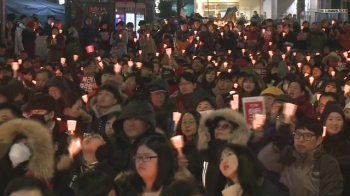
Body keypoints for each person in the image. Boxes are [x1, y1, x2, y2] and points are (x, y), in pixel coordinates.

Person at [266, 117, 344, 196]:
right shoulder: (287, 153)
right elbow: (264, 167)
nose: (301, 139)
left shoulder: (327, 163)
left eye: (307, 136)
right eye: (298, 134)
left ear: (319, 140)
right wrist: (277, 144)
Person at [197, 108, 251, 196]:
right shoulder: (204, 153)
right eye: (217, 126)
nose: (220, 129)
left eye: (226, 126)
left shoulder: (240, 153)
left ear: (234, 131)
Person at [0, 119, 55, 194]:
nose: (19, 147)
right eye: (17, 143)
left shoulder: (35, 177)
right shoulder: (3, 168)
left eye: (26, 145)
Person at [219, 143, 285, 196]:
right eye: (221, 159)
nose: (224, 161)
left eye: (229, 154)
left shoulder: (268, 189)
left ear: (243, 157)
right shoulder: (226, 191)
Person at [110, 99, 157, 172]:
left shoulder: (157, 145)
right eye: (127, 119)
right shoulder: (111, 143)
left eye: (136, 119)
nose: (131, 124)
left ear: (148, 124)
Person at [320, 101, 350, 195]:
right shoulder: (317, 139)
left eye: (338, 119)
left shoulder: (347, 139)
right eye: (330, 119)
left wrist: (332, 162)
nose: (335, 123)